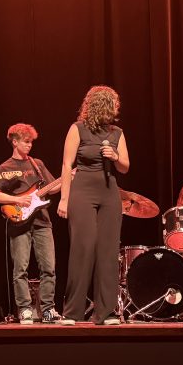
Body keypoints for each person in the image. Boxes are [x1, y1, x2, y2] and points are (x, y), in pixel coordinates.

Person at [57, 85, 130, 326]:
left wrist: (115, 157)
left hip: (109, 194)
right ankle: (72, 312)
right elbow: (67, 165)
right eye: (113, 105)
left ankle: (106, 313)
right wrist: (64, 199)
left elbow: (125, 167)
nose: (116, 109)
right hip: (82, 192)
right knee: (83, 248)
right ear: (103, 105)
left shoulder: (117, 133)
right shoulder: (78, 129)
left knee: (108, 252)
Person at [0, 123, 61, 325]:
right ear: (15, 141)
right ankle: (25, 309)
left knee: (49, 267)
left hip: (42, 221)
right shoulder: (5, 167)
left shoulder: (37, 164)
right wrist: (17, 200)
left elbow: (52, 188)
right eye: (26, 141)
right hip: (19, 221)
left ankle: (48, 309)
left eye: (31, 142)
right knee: (20, 268)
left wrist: (67, 178)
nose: (30, 145)